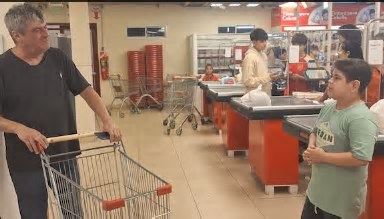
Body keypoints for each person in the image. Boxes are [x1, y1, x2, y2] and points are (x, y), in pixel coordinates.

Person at [0, 3, 122, 218]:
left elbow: (87, 91)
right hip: (25, 160)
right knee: (34, 213)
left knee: (73, 211)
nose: (46, 33)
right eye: (37, 30)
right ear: (16, 35)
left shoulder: (57, 58)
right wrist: (19, 128)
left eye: (45, 27)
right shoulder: (2, 67)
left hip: (64, 153)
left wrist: (107, 120)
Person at [301, 58, 378, 219]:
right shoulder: (329, 107)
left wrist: (322, 157)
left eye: (337, 78)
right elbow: (315, 131)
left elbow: (361, 157)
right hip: (316, 193)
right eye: (331, 76)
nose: (330, 82)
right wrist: (311, 147)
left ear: (354, 85)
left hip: (340, 201)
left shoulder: (361, 118)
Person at [242, 28, 278, 94]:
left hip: (265, 95)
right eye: (261, 41)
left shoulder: (263, 55)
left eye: (265, 41)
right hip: (254, 97)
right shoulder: (250, 57)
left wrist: (270, 77)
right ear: (254, 42)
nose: (264, 44)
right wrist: (267, 78)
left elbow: (262, 75)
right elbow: (247, 81)